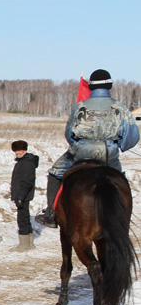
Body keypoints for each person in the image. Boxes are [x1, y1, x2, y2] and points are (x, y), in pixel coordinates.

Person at [36, 69, 139, 227]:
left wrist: (78, 144)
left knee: (55, 173)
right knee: (120, 180)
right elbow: (132, 136)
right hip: (109, 154)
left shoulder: (80, 107)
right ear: (109, 86)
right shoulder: (120, 108)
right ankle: (122, 213)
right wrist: (120, 145)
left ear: (91, 87)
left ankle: (51, 213)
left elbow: (69, 133)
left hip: (81, 153)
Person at [9, 140, 38, 251]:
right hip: (22, 195)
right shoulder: (24, 161)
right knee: (25, 217)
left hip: (23, 196)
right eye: (16, 150)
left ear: (25, 150)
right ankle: (29, 243)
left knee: (22, 219)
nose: (17, 152)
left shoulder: (26, 163)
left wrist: (20, 196)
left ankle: (24, 245)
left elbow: (27, 181)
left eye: (19, 150)